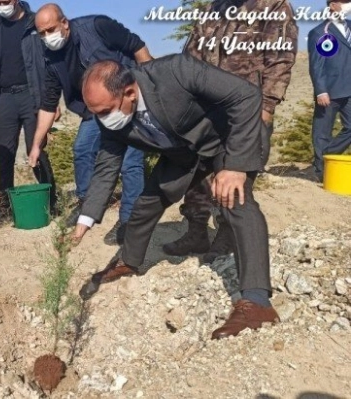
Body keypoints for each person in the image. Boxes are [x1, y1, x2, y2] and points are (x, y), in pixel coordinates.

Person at [73, 56, 280, 339]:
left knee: (236, 202)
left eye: (106, 110)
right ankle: (130, 262)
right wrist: (86, 217)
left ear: (130, 93)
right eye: (96, 113)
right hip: (184, 156)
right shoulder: (112, 121)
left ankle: (257, 302)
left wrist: (235, 166)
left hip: (226, 141)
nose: (102, 120)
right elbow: (108, 165)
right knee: (148, 202)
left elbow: (245, 96)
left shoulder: (177, 72)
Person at [164, 0, 298, 263]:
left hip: (246, 111)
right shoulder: (213, 9)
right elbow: (190, 58)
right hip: (206, 110)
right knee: (196, 170)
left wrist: (266, 109)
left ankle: (227, 235)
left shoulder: (273, 5)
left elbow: (280, 60)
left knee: (235, 174)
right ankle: (196, 231)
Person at [27, 3, 152, 245]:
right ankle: (88, 204)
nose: (47, 37)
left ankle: (130, 220)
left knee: (130, 162)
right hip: (95, 110)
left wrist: (150, 82)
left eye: (50, 29)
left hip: (127, 100)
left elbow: (135, 44)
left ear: (65, 23)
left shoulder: (97, 27)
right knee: (83, 149)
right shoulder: (50, 58)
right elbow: (48, 104)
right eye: (41, 33)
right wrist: (35, 145)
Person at [0, 0, 58, 222]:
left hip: (31, 95)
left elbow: (48, 62)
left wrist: (51, 101)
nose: (2, 5)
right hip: (4, 97)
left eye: (5, 1)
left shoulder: (34, 23)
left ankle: (51, 202)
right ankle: (5, 206)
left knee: (36, 148)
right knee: (4, 153)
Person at [309, 0, 351, 181]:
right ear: (333, 5)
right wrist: (321, 90)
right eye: (346, 2)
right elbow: (317, 65)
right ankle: (321, 172)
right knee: (322, 132)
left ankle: (325, 155)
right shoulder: (320, 32)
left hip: (349, 89)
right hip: (329, 91)